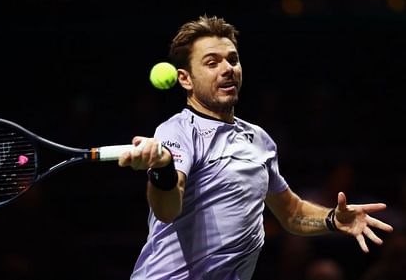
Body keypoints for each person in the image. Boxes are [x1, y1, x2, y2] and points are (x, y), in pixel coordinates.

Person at [118, 15, 394, 280]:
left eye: (233, 60)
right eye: (212, 63)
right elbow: (167, 209)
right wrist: (162, 170)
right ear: (185, 79)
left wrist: (333, 219)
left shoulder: (260, 139)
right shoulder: (178, 130)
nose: (228, 69)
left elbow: (292, 213)